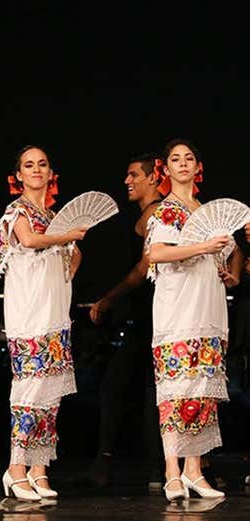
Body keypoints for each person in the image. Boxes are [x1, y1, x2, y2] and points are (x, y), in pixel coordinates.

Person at [0, 146, 86, 501]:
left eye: (42, 164)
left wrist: (68, 261)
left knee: (50, 394)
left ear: (51, 173)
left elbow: (74, 258)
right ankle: (15, 469)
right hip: (28, 314)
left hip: (54, 312)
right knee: (29, 390)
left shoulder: (56, 215)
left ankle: (39, 468)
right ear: (18, 176)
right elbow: (28, 240)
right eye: (29, 165)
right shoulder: (16, 211)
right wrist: (67, 237)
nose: (36, 170)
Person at [146, 139, 238, 500]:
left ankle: (194, 471)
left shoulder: (205, 210)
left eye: (189, 158)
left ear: (198, 167)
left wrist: (227, 272)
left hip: (208, 307)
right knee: (176, 388)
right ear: (165, 169)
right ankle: (172, 471)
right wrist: (203, 247)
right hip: (177, 310)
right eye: (175, 159)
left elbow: (220, 258)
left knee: (201, 390)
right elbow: (157, 252)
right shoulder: (166, 210)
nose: (182, 163)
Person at [85, 154, 163, 488]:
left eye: (133, 175)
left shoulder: (156, 214)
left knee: (128, 389)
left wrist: (108, 298)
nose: (127, 181)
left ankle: (147, 468)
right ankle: (152, 469)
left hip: (154, 315)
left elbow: (143, 270)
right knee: (140, 391)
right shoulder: (147, 214)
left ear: (152, 179)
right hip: (147, 314)